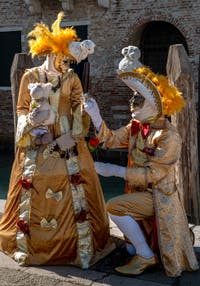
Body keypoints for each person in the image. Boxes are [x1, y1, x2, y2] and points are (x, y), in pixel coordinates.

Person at [0, 12, 114, 268]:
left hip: (67, 141)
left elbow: (77, 108)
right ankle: (27, 244)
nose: (68, 63)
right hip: (37, 143)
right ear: (52, 53)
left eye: (69, 59)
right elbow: (20, 109)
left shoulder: (72, 78)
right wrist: (34, 127)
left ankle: (79, 246)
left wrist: (75, 131)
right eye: (64, 58)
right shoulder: (30, 77)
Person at [84, 45, 199, 277]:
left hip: (158, 196)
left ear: (154, 106)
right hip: (138, 191)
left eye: (138, 100)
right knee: (126, 237)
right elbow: (112, 139)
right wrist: (95, 116)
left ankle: (145, 255)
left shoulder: (169, 136)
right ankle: (140, 246)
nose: (132, 104)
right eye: (133, 98)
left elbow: (154, 175)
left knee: (114, 206)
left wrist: (113, 170)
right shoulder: (136, 127)